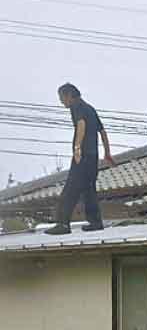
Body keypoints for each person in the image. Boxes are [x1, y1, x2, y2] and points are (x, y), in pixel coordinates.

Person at [47, 83, 114, 235]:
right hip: (93, 156)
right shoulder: (90, 108)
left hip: (83, 156)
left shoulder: (76, 106)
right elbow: (102, 131)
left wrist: (77, 148)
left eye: (61, 98)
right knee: (89, 190)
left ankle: (63, 224)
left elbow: (81, 124)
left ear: (69, 95)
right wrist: (107, 152)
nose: (61, 101)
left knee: (70, 189)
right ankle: (96, 222)